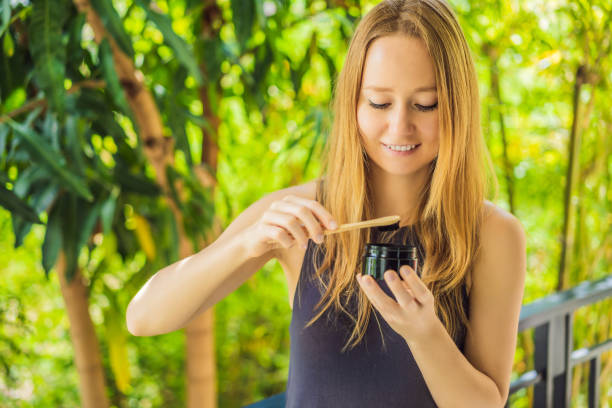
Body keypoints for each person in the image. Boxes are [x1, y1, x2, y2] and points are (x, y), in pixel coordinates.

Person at [126, 0, 526, 406]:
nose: (399, 125)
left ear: (458, 106)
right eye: (379, 103)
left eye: (425, 104)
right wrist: (246, 243)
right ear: (352, 102)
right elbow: (144, 317)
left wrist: (425, 334)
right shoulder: (297, 214)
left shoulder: (493, 235)